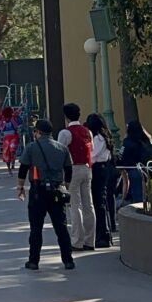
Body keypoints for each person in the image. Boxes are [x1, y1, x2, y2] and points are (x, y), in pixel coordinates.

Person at [16, 119, 75, 271]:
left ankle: (33, 261)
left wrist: (20, 187)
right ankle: (68, 260)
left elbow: (23, 169)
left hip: (38, 191)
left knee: (36, 228)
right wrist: (65, 186)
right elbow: (68, 170)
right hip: (57, 191)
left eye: (35, 131)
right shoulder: (62, 148)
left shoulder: (31, 148)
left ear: (39, 132)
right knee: (61, 227)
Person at [56, 103, 96, 251]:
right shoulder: (87, 131)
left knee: (75, 205)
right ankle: (90, 240)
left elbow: (60, 153)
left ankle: (77, 240)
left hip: (73, 169)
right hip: (87, 167)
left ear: (66, 116)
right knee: (88, 204)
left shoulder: (65, 133)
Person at [85, 114, 115, 248]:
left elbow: (93, 155)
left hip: (98, 169)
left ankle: (103, 234)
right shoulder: (105, 137)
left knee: (99, 202)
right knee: (101, 201)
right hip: (102, 168)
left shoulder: (98, 138)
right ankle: (103, 233)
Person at [120, 120, 152, 204]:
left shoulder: (128, 142)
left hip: (132, 169)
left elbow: (122, 155)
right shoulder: (146, 140)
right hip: (147, 169)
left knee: (137, 194)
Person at [0, 107, 22, 175]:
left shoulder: (13, 118)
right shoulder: (3, 119)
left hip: (13, 136)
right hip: (7, 138)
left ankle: (12, 164)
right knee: (7, 153)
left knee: (12, 150)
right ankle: (9, 168)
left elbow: (18, 113)